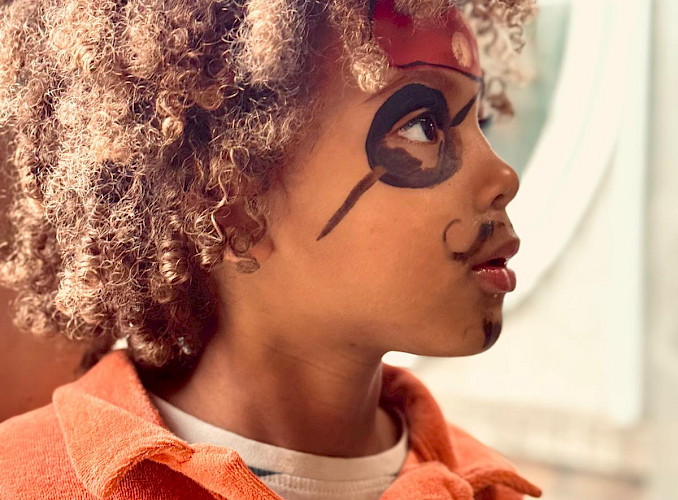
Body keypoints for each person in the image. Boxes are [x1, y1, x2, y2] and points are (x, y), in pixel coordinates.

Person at [0, 0, 543, 498]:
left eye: (481, 121)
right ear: (231, 198)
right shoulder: (25, 481)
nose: (504, 176)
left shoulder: (492, 491)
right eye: (423, 127)